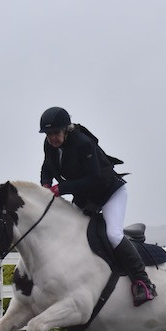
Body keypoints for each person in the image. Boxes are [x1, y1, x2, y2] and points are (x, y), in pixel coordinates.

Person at [38, 106, 157, 306]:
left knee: (113, 235)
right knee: (69, 232)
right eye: (49, 134)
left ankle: (142, 281)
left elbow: (95, 178)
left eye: (56, 133)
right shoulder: (49, 145)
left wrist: (62, 188)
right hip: (86, 197)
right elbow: (46, 167)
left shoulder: (83, 144)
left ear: (66, 130)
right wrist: (46, 185)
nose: (52, 138)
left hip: (110, 192)